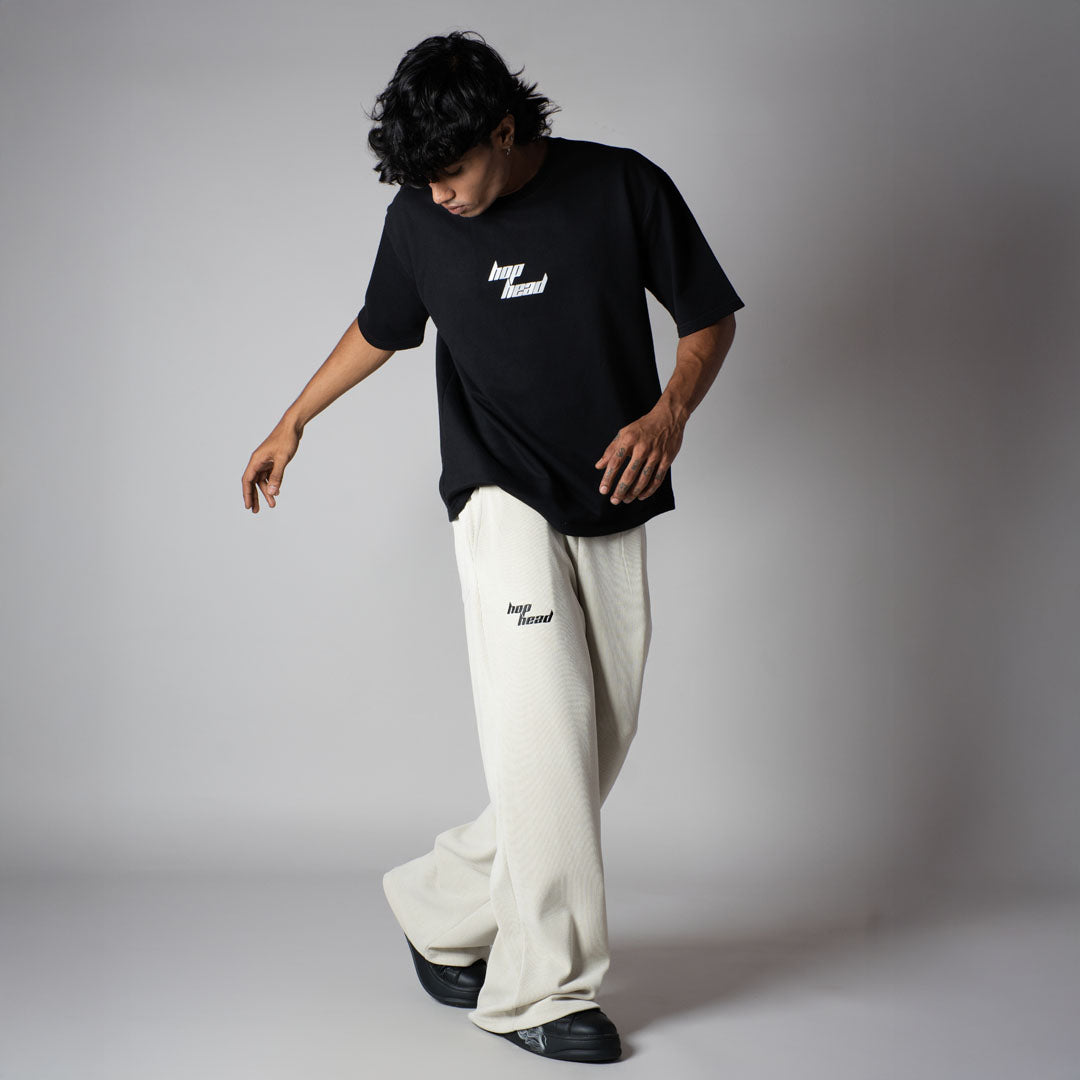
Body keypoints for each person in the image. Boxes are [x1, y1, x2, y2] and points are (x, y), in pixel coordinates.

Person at [241, 29, 743, 1064]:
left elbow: (709, 317)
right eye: (421, 181)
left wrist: (669, 415)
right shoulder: (419, 217)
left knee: (593, 742)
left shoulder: (622, 187)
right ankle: (540, 989)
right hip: (498, 492)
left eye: (453, 173)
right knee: (549, 737)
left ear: (505, 133)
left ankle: (437, 906)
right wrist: (294, 420)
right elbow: (382, 326)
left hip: (612, 485)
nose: (439, 196)